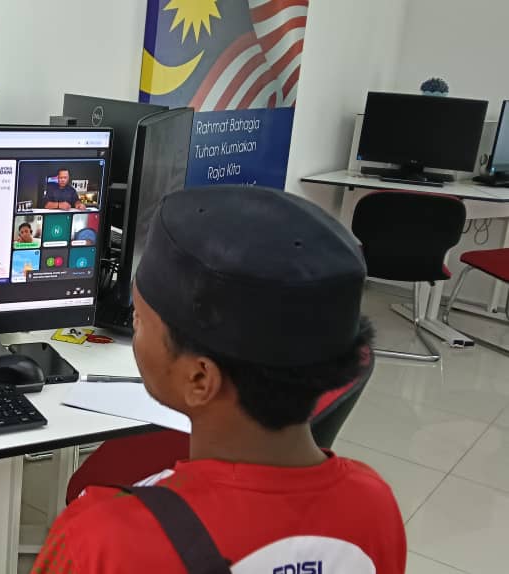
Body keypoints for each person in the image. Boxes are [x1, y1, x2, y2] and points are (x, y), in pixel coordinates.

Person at [32, 186, 405, 573]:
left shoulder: (103, 540)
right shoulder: (373, 505)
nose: (133, 330)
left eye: (138, 321)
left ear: (199, 379)